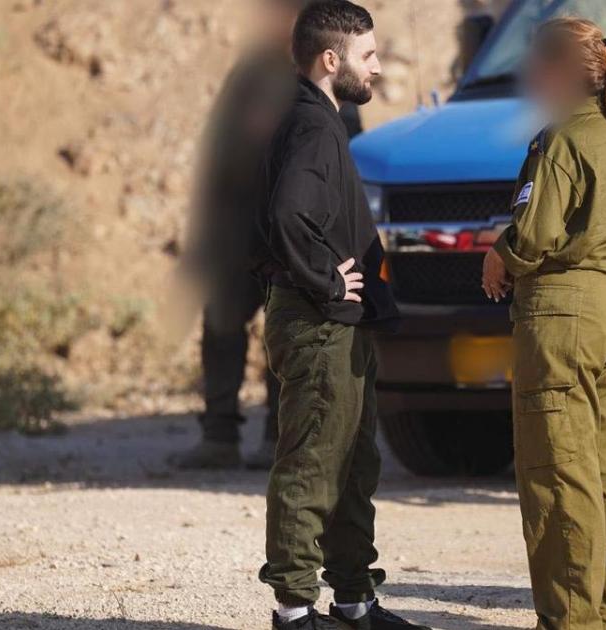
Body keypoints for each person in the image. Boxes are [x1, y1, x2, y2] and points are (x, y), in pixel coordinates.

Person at [252, 2, 419, 629]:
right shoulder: (312, 126)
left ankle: (354, 604)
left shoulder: (315, 117)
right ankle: (295, 612)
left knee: (352, 464)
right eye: (367, 55)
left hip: (334, 322)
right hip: (319, 322)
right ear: (331, 59)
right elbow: (288, 214)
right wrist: (327, 280)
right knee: (313, 465)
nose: (376, 68)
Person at [482, 17, 606, 630]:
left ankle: (571, 622)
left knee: (557, 477)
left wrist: (499, 253)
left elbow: (534, 234)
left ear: (559, 71)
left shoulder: (562, 139)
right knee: (605, 479)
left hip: (563, 311)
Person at [173, 0, 309, 471]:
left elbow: (336, 150)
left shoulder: (322, 74)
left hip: (287, 233)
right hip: (236, 228)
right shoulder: (249, 74)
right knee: (222, 324)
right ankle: (219, 436)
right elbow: (218, 152)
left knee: (283, 332)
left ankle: (276, 438)